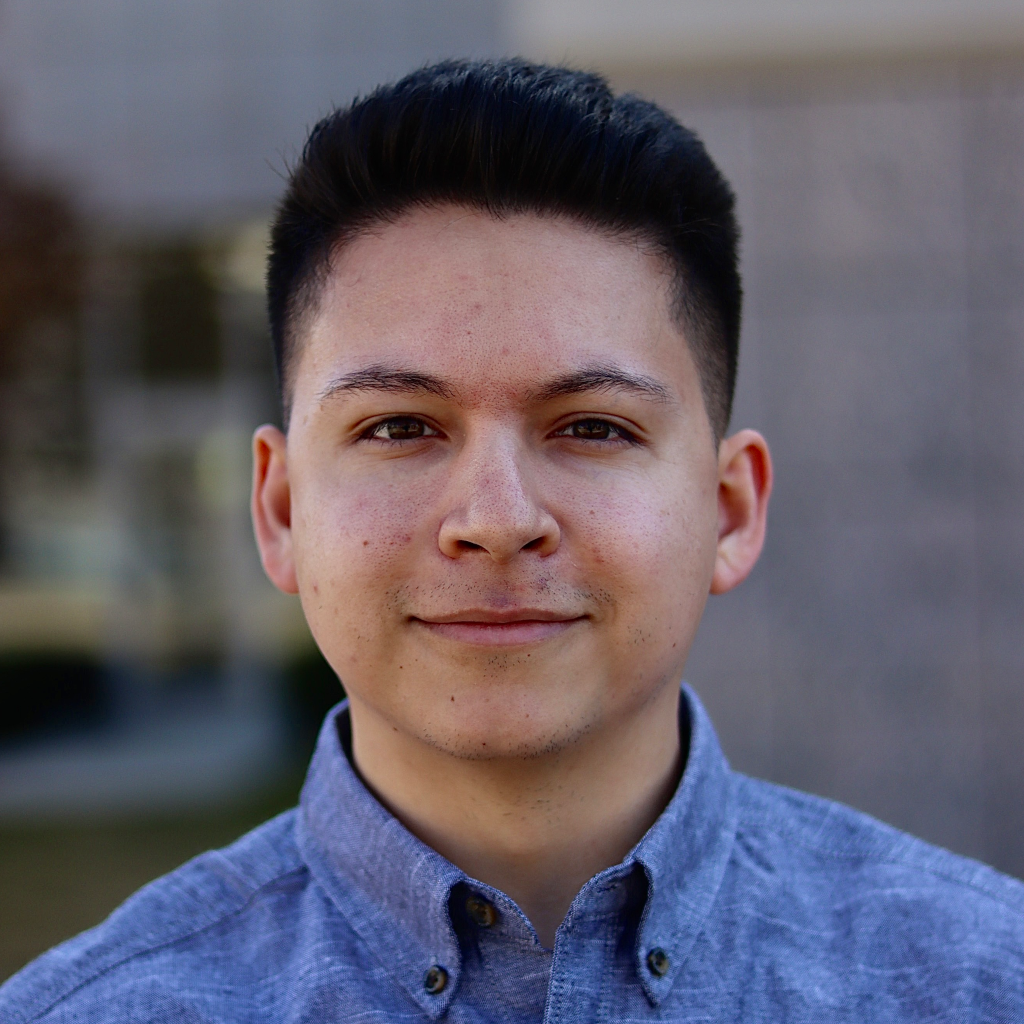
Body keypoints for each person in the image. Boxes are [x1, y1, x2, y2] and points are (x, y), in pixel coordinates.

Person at [3, 58, 1023, 1024]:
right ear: (279, 511)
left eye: (593, 427)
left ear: (729, 509)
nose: (495, 519)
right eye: (399, 426)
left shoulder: (983, 980)